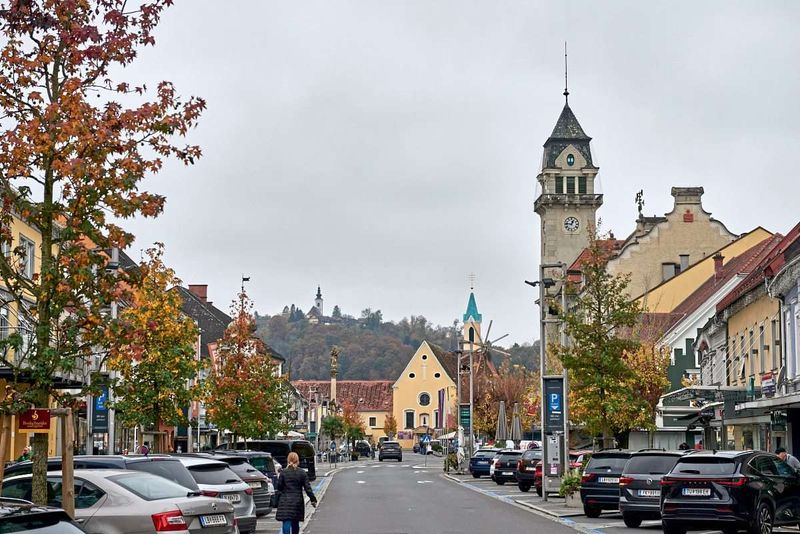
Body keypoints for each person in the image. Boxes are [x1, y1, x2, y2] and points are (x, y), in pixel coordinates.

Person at [275, 452, 317, 534]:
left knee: (286, 521)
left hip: (285, 501)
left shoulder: (284, 472)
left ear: (288, 460)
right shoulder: (302, 473)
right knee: (295, 522)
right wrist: (313, 500)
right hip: (297, 501)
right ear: (297, 461)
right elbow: (308, 488)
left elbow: (279, 487)